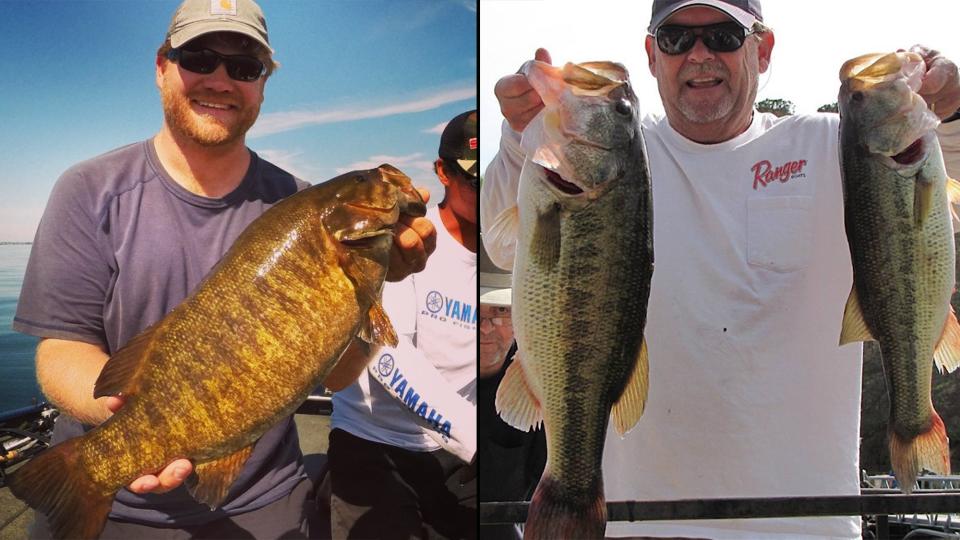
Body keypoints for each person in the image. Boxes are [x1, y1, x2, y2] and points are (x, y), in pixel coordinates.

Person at [481, 0, 960, 538]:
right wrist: (521, 139)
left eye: (724, 35)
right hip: (636, 527)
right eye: (676, 39)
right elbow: (499, 245)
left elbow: (937, 195)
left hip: (806, 530)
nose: (700, 54)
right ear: (651, 54)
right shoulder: (618, 158)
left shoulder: (838, 145)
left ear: (764, 48)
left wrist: (952, 110)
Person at [12, 0, 436, 538]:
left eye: (244, 66)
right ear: (162, 66)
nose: (220, 79)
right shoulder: (90, 190)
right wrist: (131, 423)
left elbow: (336, 374)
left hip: (264, 499)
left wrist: (379, 285)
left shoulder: (295, 200)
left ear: (263, 83)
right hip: (118, 507)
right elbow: (60, 349)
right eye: (199, 57)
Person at [325, 110, 479, 539]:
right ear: (442, 172)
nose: (485, 194)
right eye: (474, 181)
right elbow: (389, 356)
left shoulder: (507, 246)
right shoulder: (405, 238)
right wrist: (473, 435)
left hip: (456, 455)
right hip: (374, 446)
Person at [476, 241, 546, 540]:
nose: (485, 326)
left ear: (520, 320)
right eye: (475, 311)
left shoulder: (541, 385)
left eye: (501, 311)